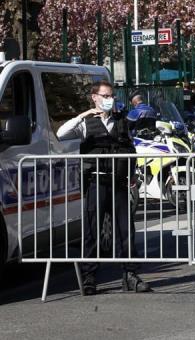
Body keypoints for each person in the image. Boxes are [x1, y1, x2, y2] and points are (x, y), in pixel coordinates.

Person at [56, 80, 151, 295]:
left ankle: (130, 275)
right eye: (106, 96)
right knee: (92, 231)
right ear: (95, 97)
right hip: (96, 182)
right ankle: (89, 277)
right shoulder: (85, 123)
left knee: (125, 231)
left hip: (118, 182)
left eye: (112, 96)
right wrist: (85, 114)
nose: (110, 100)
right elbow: (61, 133)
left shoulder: (121, 121)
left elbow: (129, 148)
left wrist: (133, 172)